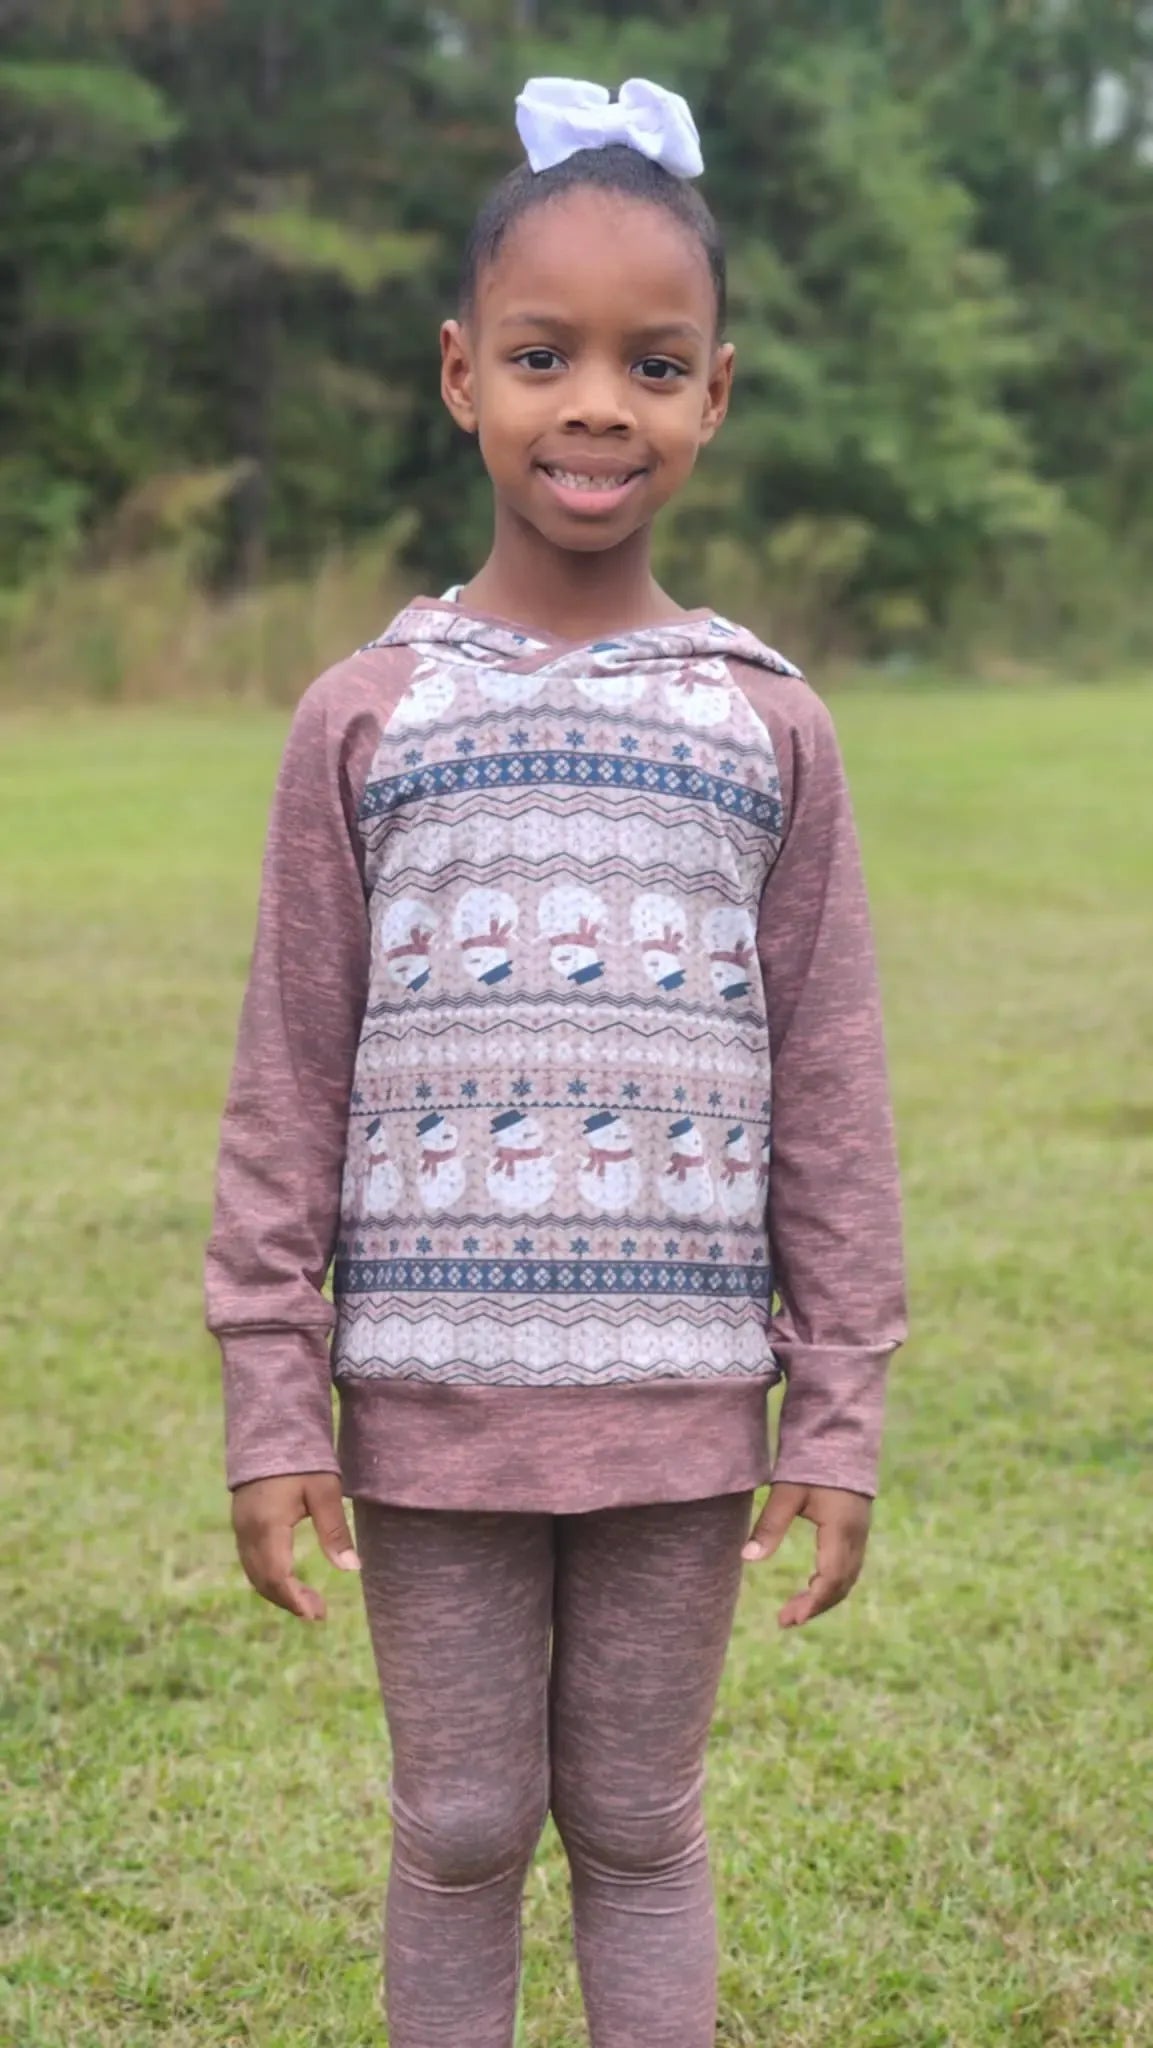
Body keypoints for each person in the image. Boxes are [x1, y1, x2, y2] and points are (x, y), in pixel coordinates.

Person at [205, 73, 906, 2048]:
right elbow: (289, 1079)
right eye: (545, 354)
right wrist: (273, 1397)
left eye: (650, 361)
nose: (596, 402)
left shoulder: (765, 726)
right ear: (461, 375)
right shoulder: (368, 713)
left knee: (634, 1812)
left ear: (715, 394)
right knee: (451, 1819)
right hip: (427, 1404)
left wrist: (834, 1406)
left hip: (682, 1406)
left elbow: (833, 1096)